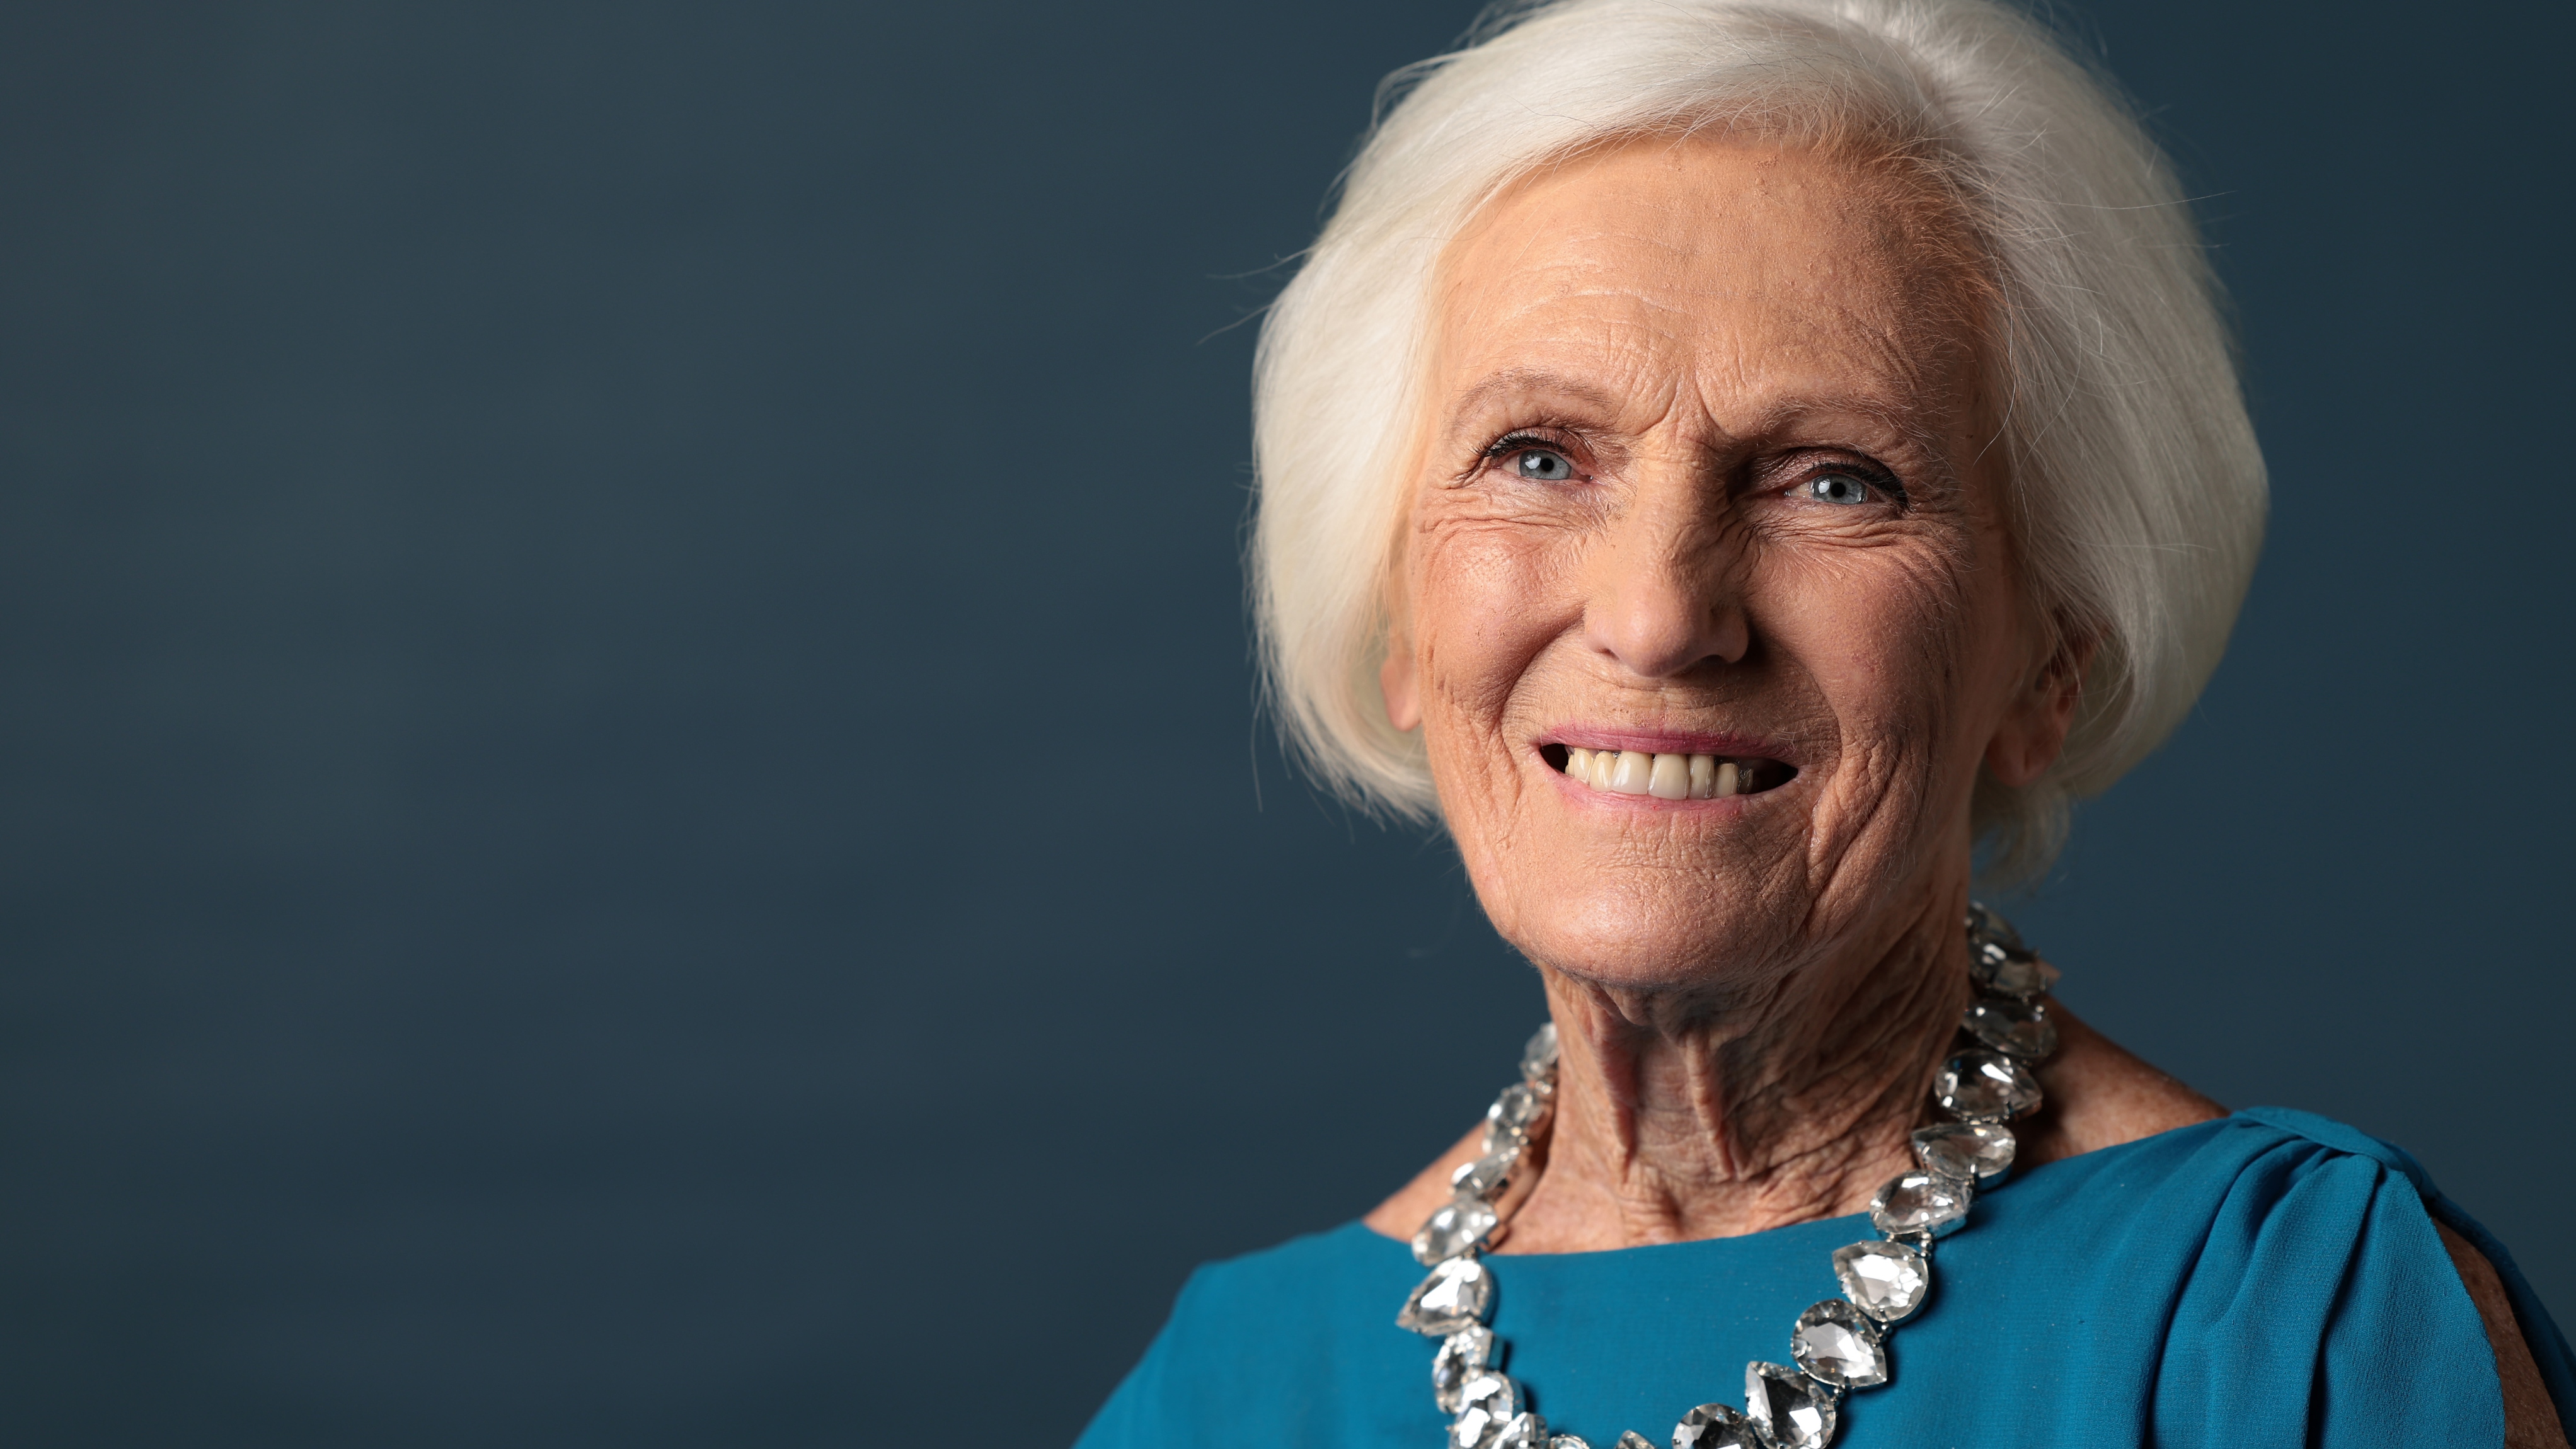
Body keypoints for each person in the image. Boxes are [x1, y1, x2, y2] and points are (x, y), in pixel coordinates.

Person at [1075, 1, 2574, 1445]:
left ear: (2047, 659)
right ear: (1397, 613)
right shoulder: (1226, 1396)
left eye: (1833, 480)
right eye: (1537, 455)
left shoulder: (2292, 1334)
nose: (1658, 614)